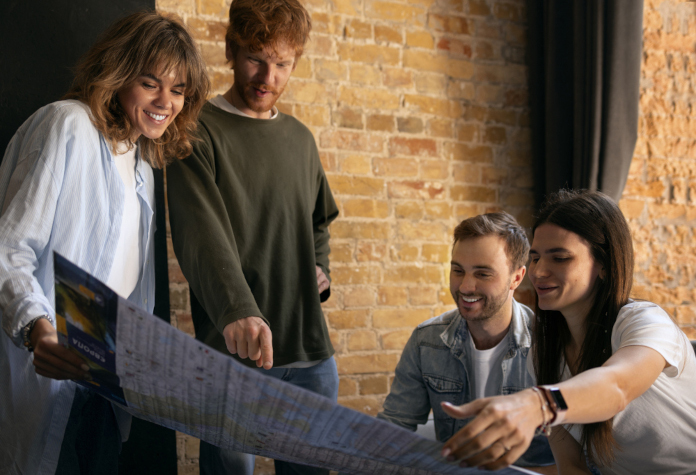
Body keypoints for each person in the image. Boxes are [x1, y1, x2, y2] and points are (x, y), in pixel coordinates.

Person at [0, 11, 209, 475]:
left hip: (105, 383)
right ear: (118, 75)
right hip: (47, 369)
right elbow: (8, 251)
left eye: (178, 90)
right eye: (150, 83)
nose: (166, 102)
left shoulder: (144, 165)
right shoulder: (66, 125)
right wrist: (37, 329)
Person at [166, 0, 338, 473]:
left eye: (282, 64)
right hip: (233, 353)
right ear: (230, 50)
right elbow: (201, 235)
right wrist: (238, 310)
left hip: (309, 350)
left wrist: (320, 266)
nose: (267, 77)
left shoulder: (300, 139)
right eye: (255, 58)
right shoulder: (197, 130)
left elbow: (318, 219)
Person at [440, 190, 696, 474]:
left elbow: (617, 387)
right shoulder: (543, 352)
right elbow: (572, 467)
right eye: (535, 258)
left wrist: (537, 404)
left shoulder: (645, 322)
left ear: (604, 265)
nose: (538, 272)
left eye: (560, 258)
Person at [377, 212, 554, 472]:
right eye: (458, 271)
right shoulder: (426, 341)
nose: (465, 287)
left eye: (483, 274)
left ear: (516, 278)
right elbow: (393, 428)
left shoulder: (550, 344)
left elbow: (579, 456)